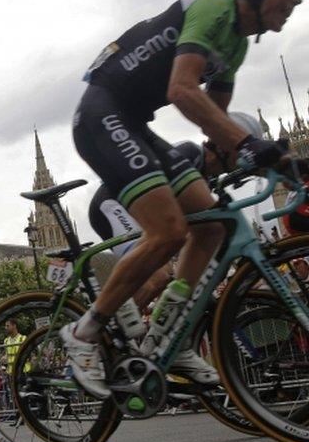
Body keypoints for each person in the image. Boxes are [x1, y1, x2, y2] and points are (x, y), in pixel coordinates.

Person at [64, 0, 306, 399]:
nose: (296, 2)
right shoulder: (214, 7)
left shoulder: (234, 46)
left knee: (212, 227)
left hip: (135, 123)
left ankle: (167, 335)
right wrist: (250, 144)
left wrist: (280, 163)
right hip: (102, 113)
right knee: (169, 232)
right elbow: (181, 90)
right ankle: (83, 332)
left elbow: (218, 125)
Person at [88, 113, 266, 309]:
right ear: (225, 145)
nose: (244, 160)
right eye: (242, 152)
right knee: (158, 277)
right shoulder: (189, 155)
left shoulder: (206, 177)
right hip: (113, 205)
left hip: (137, 213)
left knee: (168, 278)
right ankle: (108, 330)